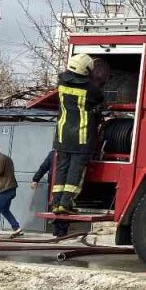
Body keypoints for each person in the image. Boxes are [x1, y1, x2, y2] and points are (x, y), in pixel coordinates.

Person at [51, 53, 103, 215]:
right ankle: (66, 203)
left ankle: (56, 202)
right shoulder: (91, 89)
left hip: (62, 134)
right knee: (75, 170)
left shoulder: (61, 83)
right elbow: (100, 99)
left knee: (62, 169)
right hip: (81, 136)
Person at [30, 150, 68, 237]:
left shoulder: (68, 154)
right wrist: (35, 179)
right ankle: (57, 228)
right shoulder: (52, 154)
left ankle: (62, 229)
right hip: (53, 185)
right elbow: (43, 167)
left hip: (64, 185)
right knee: (54, 206)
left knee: (63, 206)